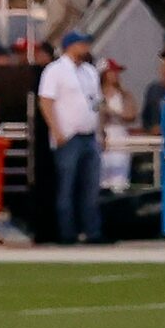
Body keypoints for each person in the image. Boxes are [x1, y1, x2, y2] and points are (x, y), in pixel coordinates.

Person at [39, 31, 105, 245]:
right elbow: (46, 101)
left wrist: (100, 130)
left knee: (90, 187)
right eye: (82, 43)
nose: (86, 47)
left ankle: (91, 230)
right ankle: (66, 232)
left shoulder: (90, 71)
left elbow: (97, 103)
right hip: (68, 136)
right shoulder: (55, 71)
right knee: (66, 186)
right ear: (71, 46)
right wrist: (56, 131)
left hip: (88, 135)